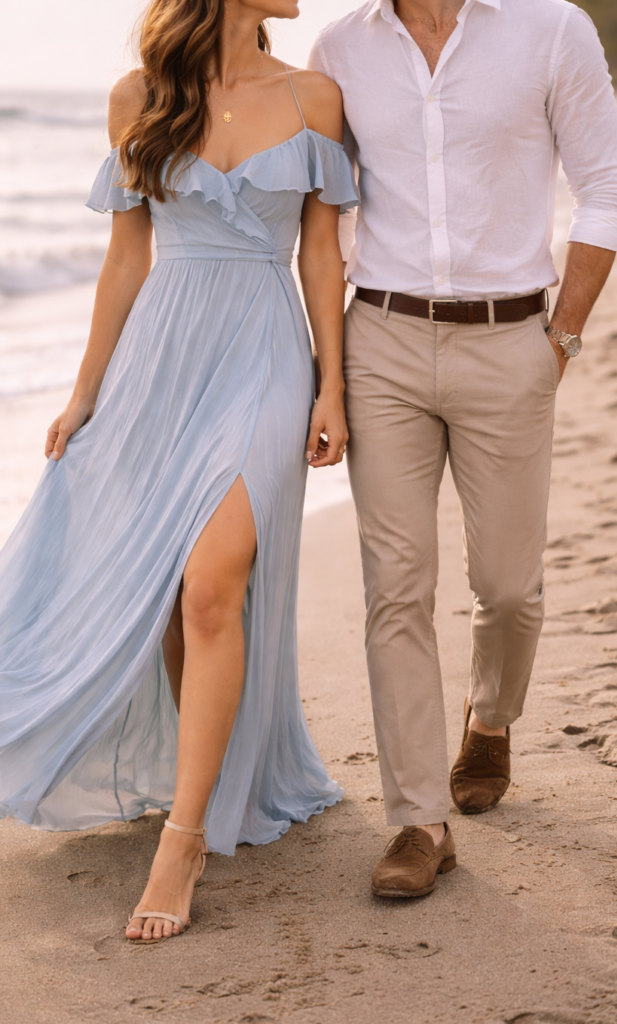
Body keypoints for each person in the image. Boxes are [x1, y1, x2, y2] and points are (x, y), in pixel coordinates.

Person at [0, 0, 358, 941]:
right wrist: (85, 392)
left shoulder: (315, 97)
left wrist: (332, 385)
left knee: (210, 587)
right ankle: (203, 770)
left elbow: (322, 253)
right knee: (170, 599)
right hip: (161, 359)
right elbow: (127, 258)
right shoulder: (138, 97)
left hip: (264, 353)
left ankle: (185, 840)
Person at [310, 0, 617, 898]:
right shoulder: (340, 46)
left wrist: (560, 340)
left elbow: (606, 189)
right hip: (381, 341)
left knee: (508, 585)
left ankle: (490, 719)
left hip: (512, 339)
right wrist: (329, 373)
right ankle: (419, 819)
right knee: (397, 583)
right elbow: (322, 218)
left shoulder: (552, 29)